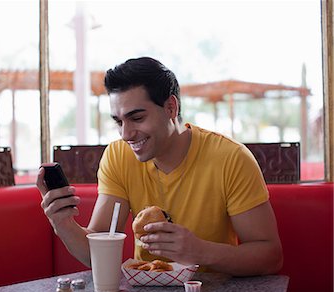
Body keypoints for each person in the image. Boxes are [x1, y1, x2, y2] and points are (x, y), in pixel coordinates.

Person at [37, 57, 283, 276]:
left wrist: (200, 251)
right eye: (118, 122)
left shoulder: (231, 158)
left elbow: (270, 256)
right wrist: (63, 223)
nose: (126, 134)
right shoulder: (118, 155)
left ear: (171, 108)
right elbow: (97, 254)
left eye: (137, 118)